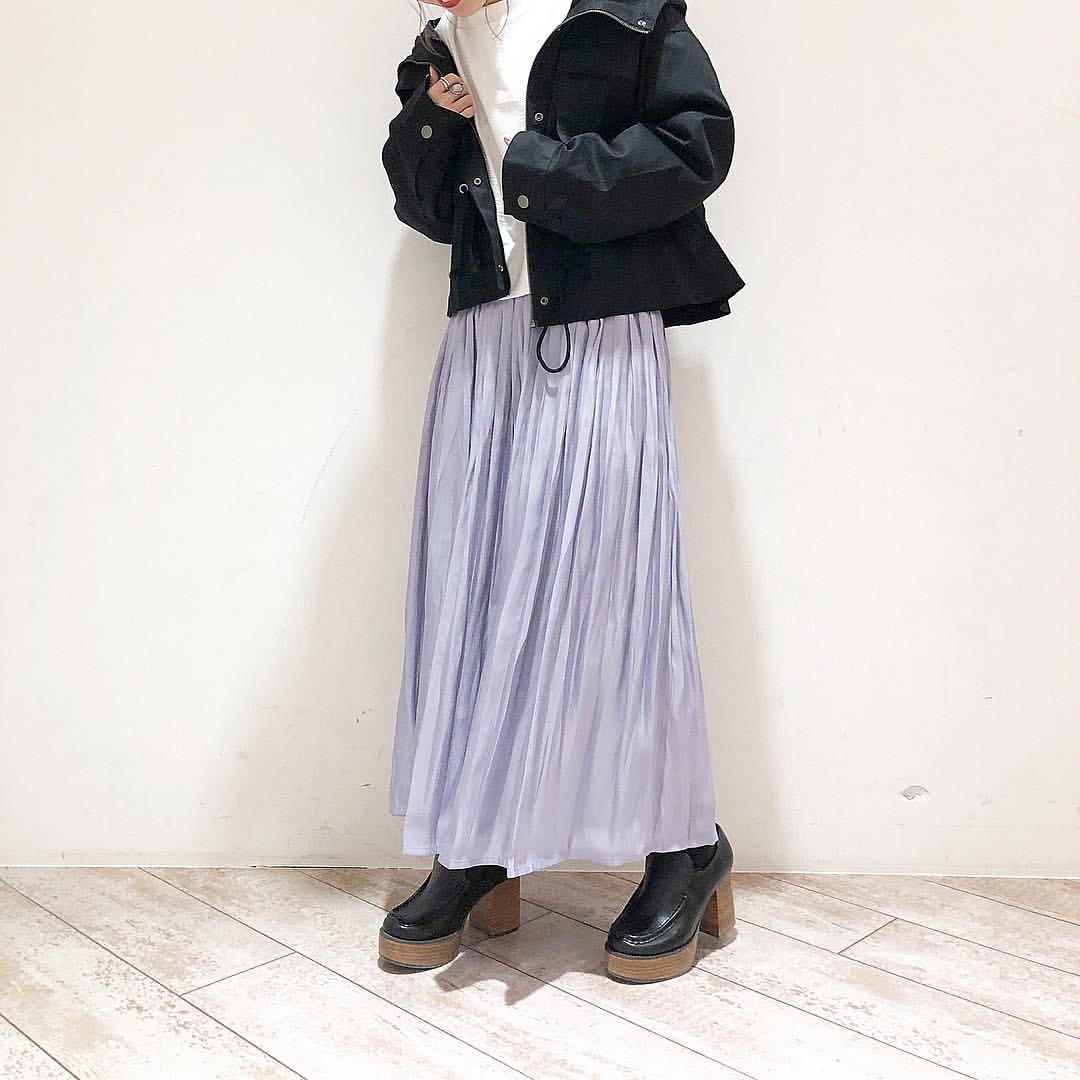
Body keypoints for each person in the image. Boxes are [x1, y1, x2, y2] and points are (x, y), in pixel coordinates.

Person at [377, 0, 743, 983]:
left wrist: (540, 166)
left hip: (600, 324)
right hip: (484, 336)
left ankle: (684, 845)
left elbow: (697, 145)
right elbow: (424, 209)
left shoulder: (619, 14)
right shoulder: (440, 43)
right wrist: (434, 122)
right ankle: (478, 838)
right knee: (476, 588)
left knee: (621, 595)